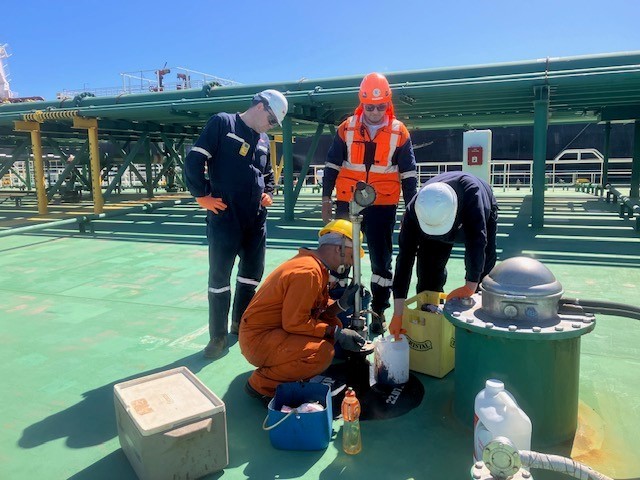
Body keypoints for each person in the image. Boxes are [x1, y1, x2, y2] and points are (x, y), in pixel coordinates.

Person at [184, 89, 288, 359]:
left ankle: (238, 324)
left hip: (255, 219)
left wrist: (268, 193)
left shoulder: (263, 140)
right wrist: (201, 196)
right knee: (219, 278)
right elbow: (195, 159)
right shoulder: (223, 123)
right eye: (272, 119)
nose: (271, 125)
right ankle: (217, 337)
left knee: (251, 275)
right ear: (260, 105)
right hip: (226, 217)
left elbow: (266, 174)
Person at [321, 72, 417, 334]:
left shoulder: (399, 131)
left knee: (381, 260)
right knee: (340, 254)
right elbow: (331, 164)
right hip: (347, 201)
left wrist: (412, 209)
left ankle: (378, 311)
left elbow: (409, 174)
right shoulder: (346, 128)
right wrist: (326, 197)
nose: (375, 112)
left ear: (388, 104)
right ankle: (338, 307)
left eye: (380, 106)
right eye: (369, 106)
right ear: (361, 103)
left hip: (382, 206)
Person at [239, 219, 367, 403]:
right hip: (259, 341)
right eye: (351, 257)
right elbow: (295, 322)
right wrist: (336, 333)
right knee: (321, 353)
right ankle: (262, 385)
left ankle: (286, 370)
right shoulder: (307, 272)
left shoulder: (314, 266)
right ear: (339, 249)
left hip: (272, 332)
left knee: (333, 323)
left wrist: (341, 304)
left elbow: (314, 311)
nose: (350, 264)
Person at [389, 171, 499, 339]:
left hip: (478, 208)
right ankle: (431, 321)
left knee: (483, 275)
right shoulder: (414, 211)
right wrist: (398, 313)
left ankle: (478, 329)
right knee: (428, 273)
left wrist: (470, 286)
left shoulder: (474, 198)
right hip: (434, 224)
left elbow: (478, 243)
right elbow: (404, 260)